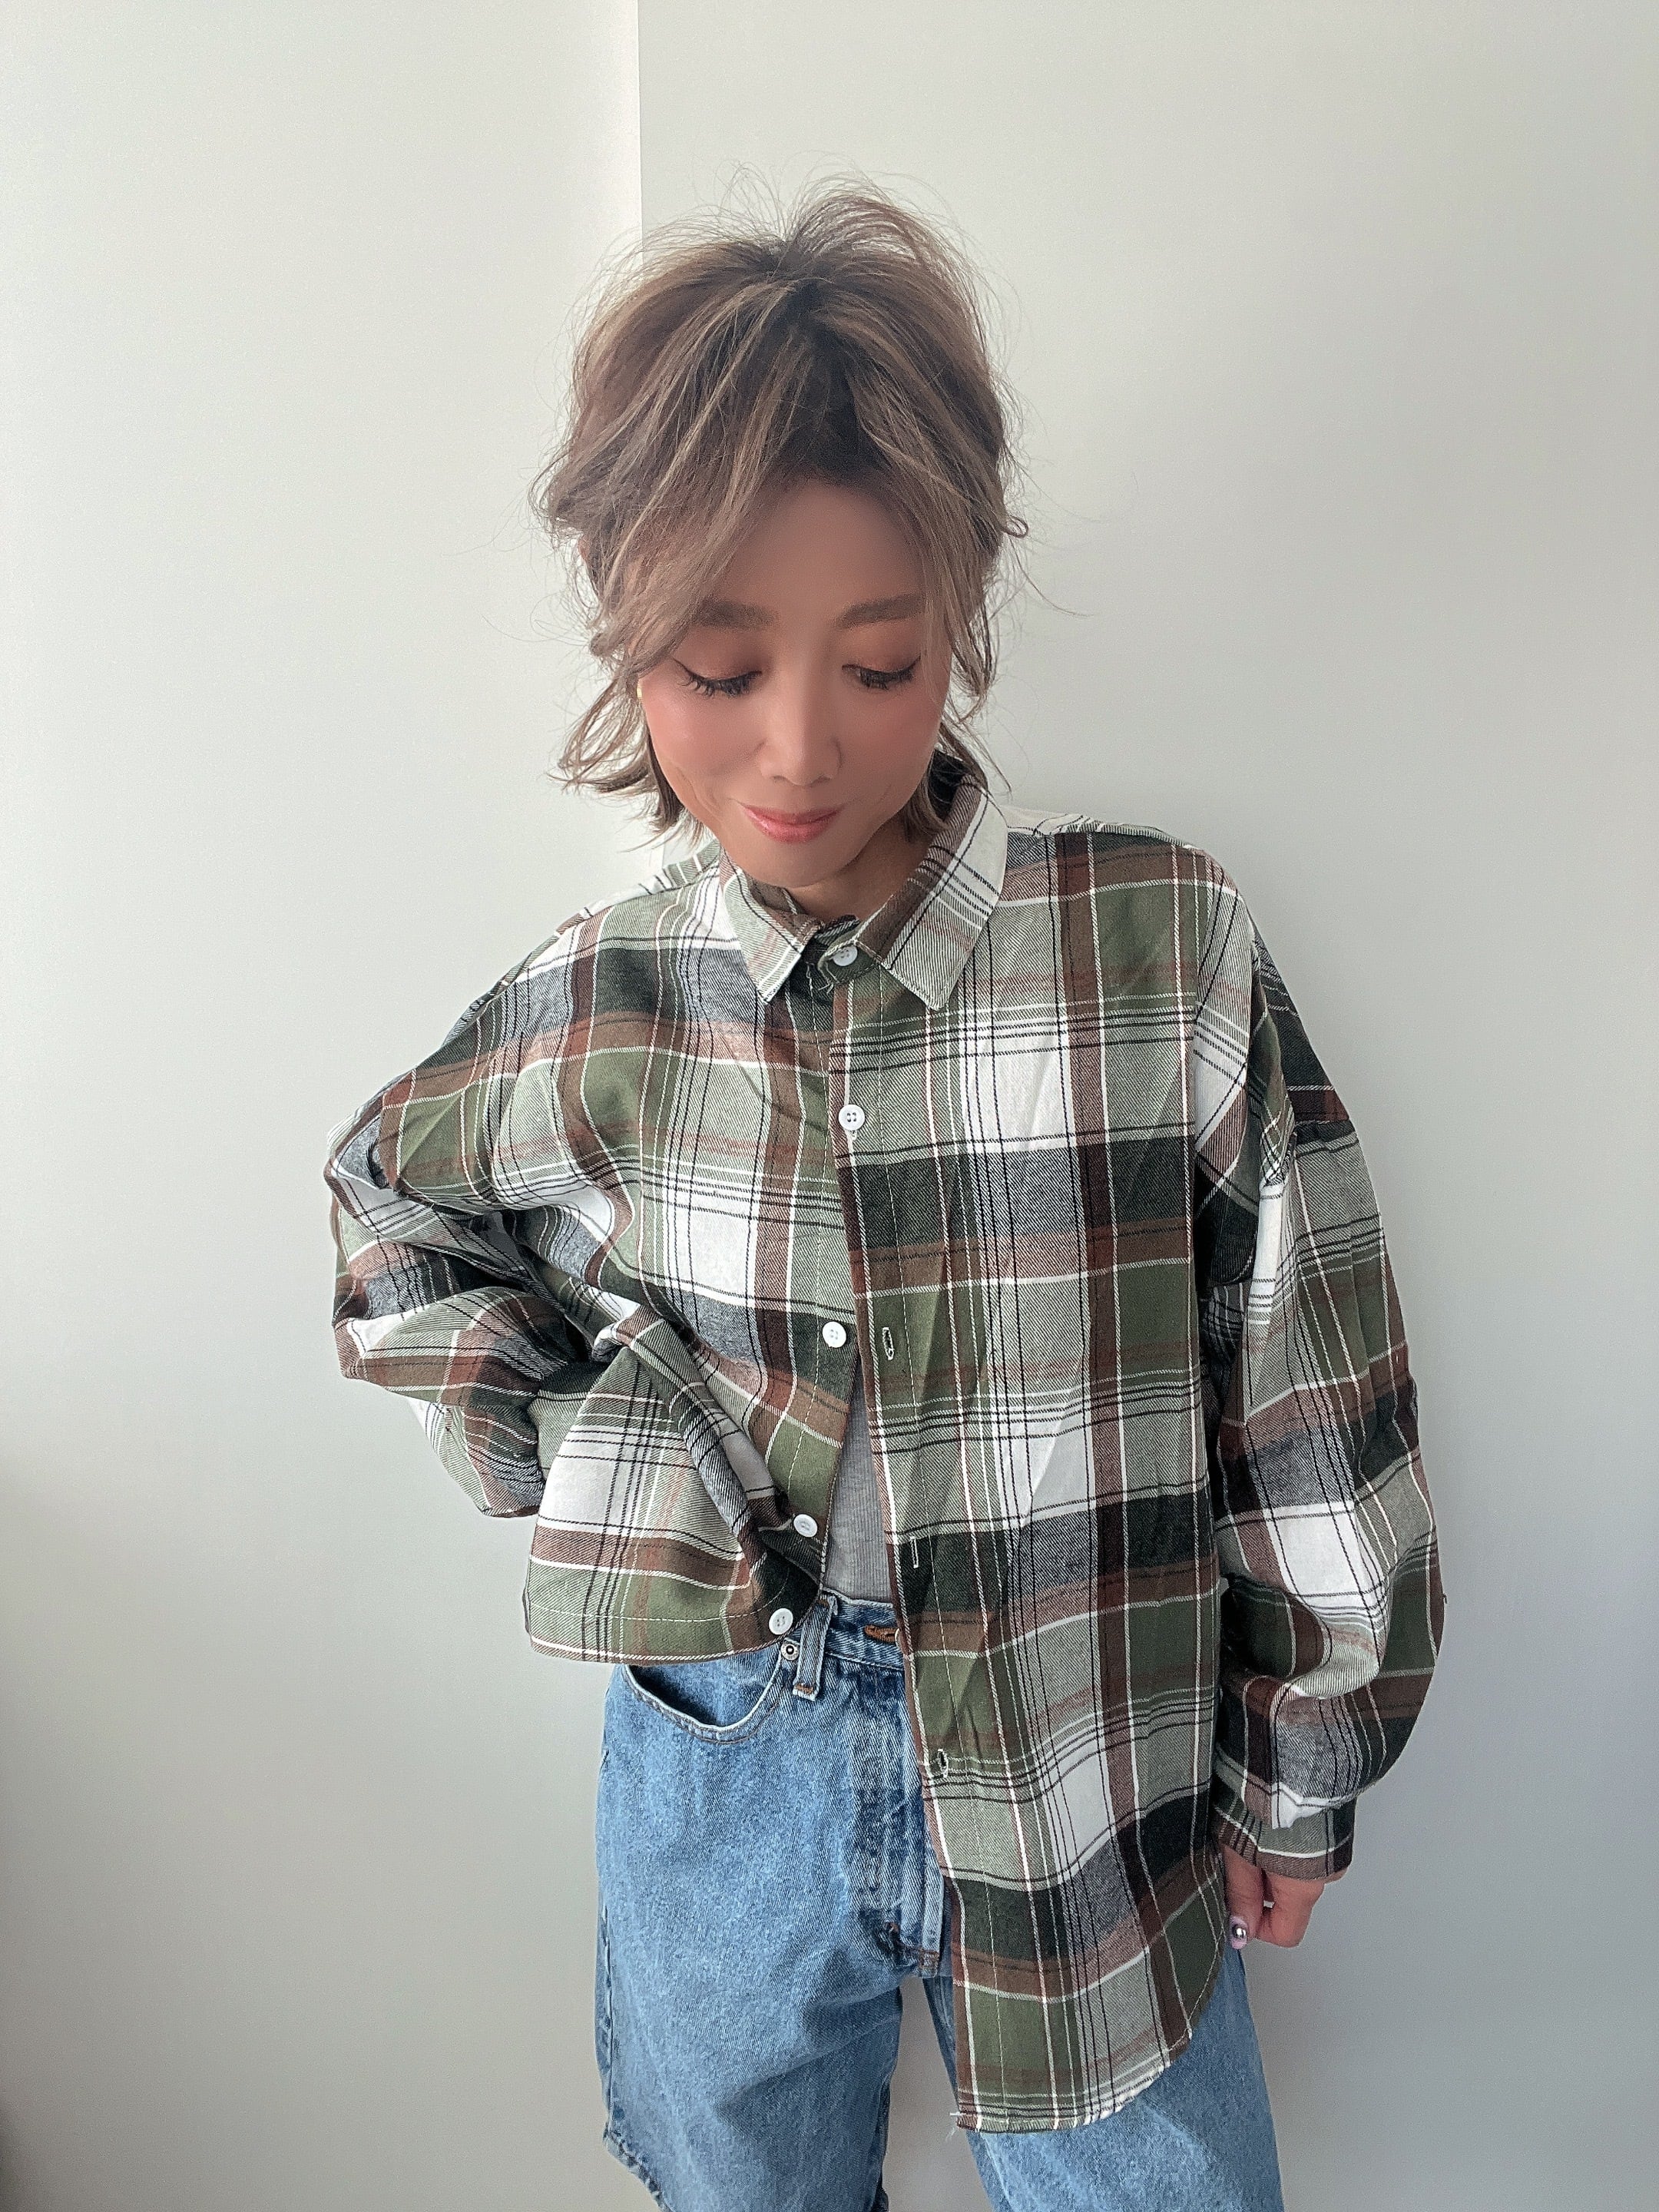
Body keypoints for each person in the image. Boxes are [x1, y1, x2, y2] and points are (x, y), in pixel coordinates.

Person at [323, 181, 1444, 2212]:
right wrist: (587, 1448)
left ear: (961, 612)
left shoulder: (1154, 948)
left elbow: (1306, 1380)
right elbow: (389, 1217)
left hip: (1092, 1754)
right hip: (724, 1762)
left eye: (880, 658)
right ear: (628, 634)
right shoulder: (604, 998)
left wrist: (1303, 1769)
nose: (798, 747)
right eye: (717, 664)